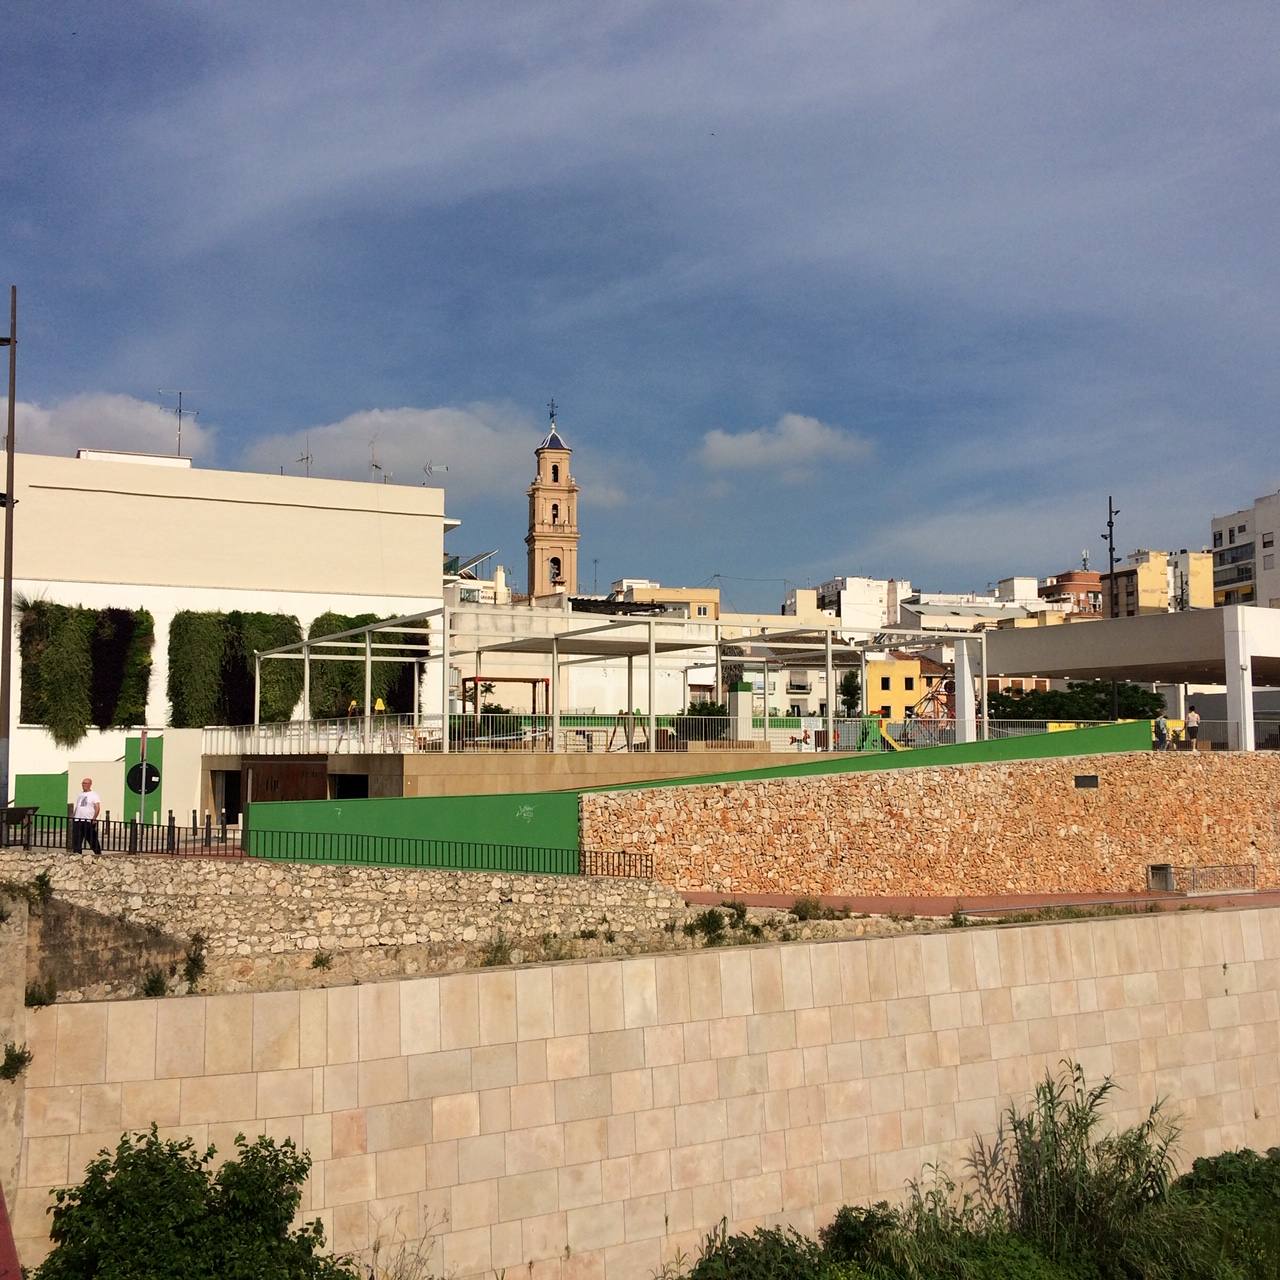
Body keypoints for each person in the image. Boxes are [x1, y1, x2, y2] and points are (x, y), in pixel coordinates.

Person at [71, 777, 102, 854]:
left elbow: (97, 807)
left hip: (88, 820)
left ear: (90, 784)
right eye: (83, 783)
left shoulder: (94, 795)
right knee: (77, 839)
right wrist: (73, 816)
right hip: (78, 820)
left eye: (85, 783)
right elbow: (77, 807)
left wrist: (94, 818)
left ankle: (98, 853)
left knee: (91, 838)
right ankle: (77, 854)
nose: (83, 785)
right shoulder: (80, 794)